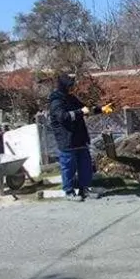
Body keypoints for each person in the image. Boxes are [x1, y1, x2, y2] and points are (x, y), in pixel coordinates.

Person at [48, 73, 113, 202]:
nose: (72, 88)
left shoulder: (71, 98)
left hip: (79, 138)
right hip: (67, 140)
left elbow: (85, 109)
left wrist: (101, 109)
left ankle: (85, 189)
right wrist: (79, 113)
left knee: (85, 165)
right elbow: (63, 117)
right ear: (64, 86)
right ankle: (69, 191)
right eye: (70, 85)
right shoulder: (56, 101)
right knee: (68, 167)